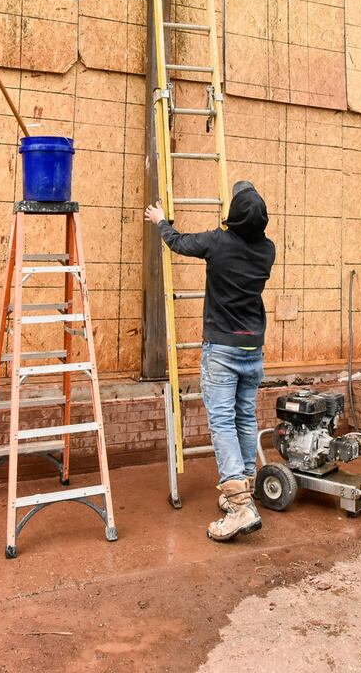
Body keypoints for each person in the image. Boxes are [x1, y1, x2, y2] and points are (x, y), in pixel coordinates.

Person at [145, 180, 276, 542]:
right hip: (253, 349)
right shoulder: (268, 250)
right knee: (245, 416)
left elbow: (179, 242)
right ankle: (245, 487)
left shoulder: (218, 243)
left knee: (221, 421)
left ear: (231, 217)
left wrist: (160, 220)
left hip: (221, 349)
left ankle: (238, 506)